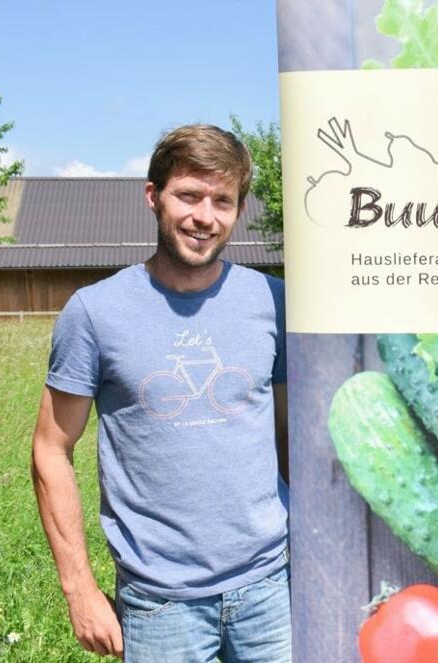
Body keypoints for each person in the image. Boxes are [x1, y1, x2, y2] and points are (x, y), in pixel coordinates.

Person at [31, 124, 290, 662]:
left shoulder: (273, 301)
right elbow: (51, 448)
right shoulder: (95, 312)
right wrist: (79, 590)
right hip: (160, 604)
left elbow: (289, 438)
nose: (205, 216)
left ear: (239, 210)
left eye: (222, 201)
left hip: (271, 589)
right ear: (154, 196)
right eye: (188, 196)